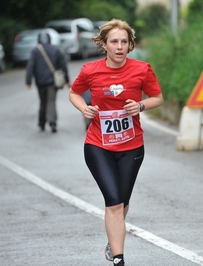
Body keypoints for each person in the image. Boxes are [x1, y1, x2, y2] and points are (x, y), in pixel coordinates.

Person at [69, 19, 163, 266]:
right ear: (105, 45)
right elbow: (74, 92)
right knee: (113, 202)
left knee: (123, 201)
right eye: (114, 42)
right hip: (98, 145)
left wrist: (140, 105)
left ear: (130, 45)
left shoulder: (142, 69)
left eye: (124, 42)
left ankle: (113, 241)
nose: (120, 47)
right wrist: (84, 108)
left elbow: (158, 97)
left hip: (132, 146)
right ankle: (118, 259)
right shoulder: (90, 70)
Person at [26, 31, 70, 133]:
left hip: (40, 82)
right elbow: (63, 66)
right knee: (51, 101)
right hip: (52, 81)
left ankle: (42, 123)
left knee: (42, 102)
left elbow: (30, 66)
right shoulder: (56, 50)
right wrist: (67, 80)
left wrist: (28, 81)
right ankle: (52, 122)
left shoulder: (35, 51)